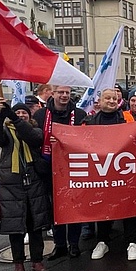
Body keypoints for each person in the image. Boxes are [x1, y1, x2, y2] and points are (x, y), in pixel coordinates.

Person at [0, 98, 51, 271]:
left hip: (34, 184)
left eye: (24, 113)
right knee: (16, 228)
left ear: (29, 117)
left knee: (35, 226)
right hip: (12, 186)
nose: (21, 115)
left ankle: (37, 261)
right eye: (17, 112)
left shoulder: (35, 130)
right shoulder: (5, 134)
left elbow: (33, 137)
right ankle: (18, 264)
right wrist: (0, 115)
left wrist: (14, 117)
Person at [83, 89, 136, 261]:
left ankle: (132, 242)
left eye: (114, 98)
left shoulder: (128, 118)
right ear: (99, 102)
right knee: (103, 206)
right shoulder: (89, 121)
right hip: (102, 172)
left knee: (129, 206)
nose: (111, 101)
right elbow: (76, 142)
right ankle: (102, 241)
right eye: (107, 98)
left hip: (125, 170)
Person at [32, 85, 87, 260]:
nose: (64, 96)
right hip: (48, 168)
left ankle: (74, 244)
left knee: (74, 206)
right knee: (55, 208)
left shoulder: (78, 114)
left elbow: (87, 139)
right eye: (60, 92)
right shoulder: (41, 115)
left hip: (73, 168)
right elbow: (33, 140)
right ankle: (60, 244)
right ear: (52, 94)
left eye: (67, 93)